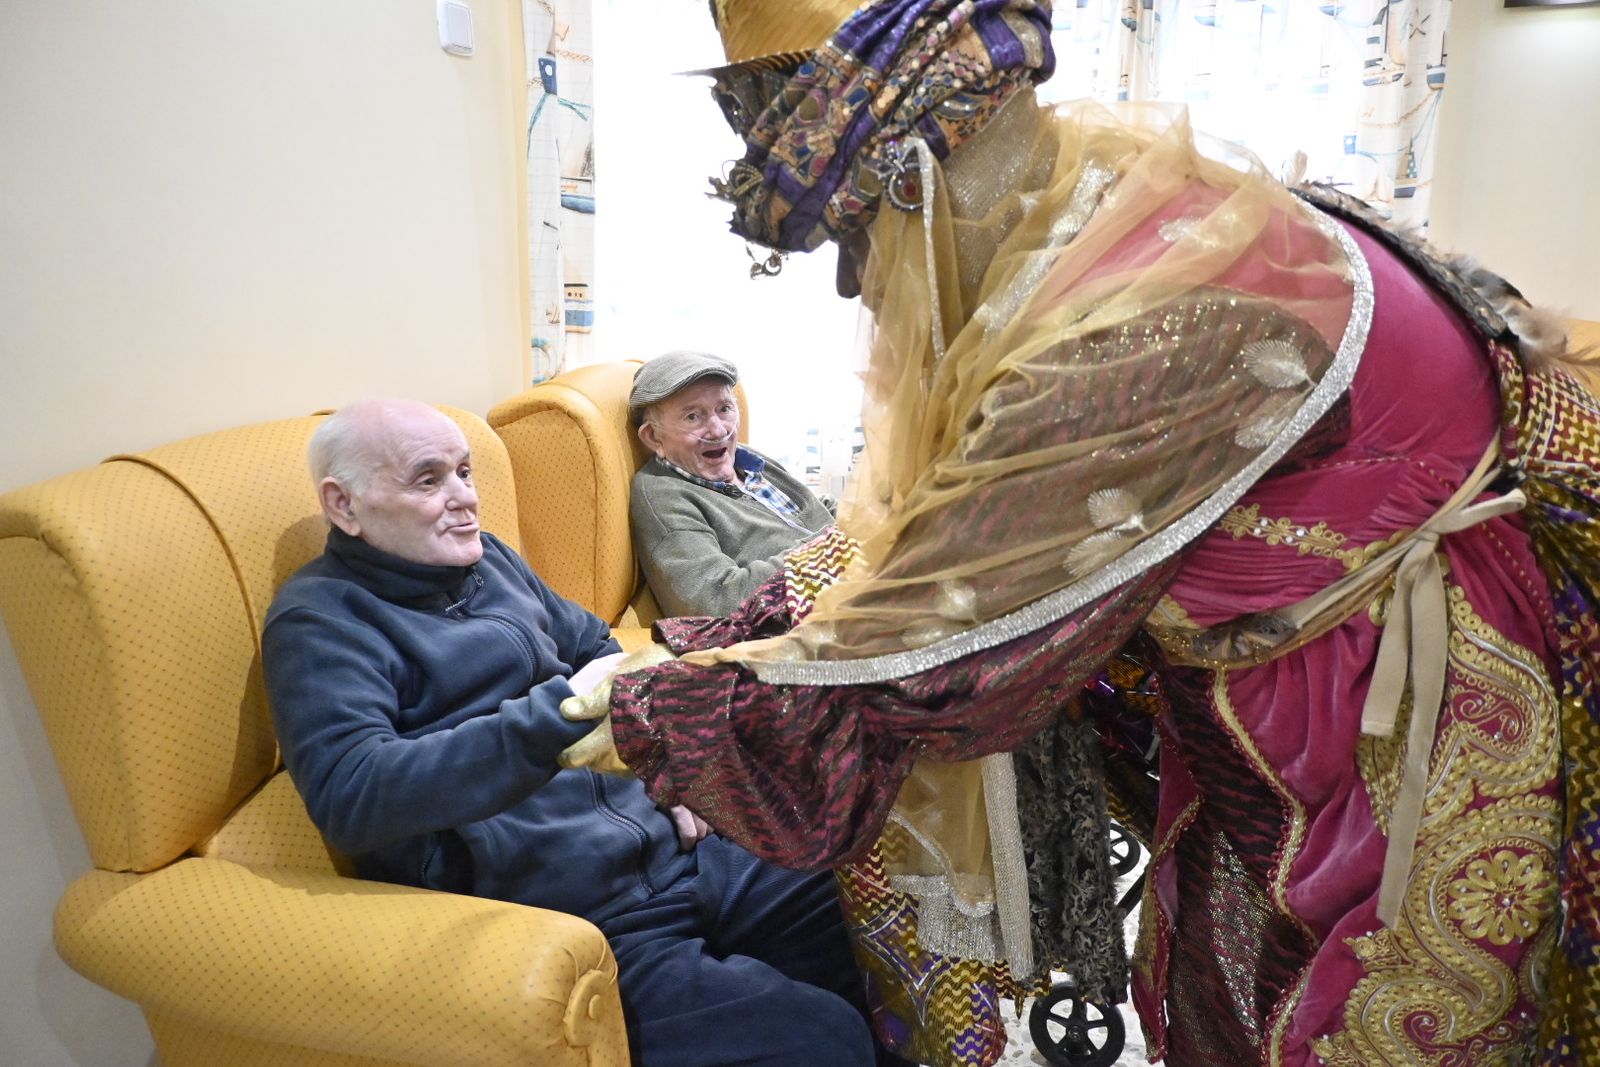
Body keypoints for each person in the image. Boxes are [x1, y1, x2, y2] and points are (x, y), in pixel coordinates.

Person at [557, 2, 1600, 1065]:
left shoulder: (1137, 312)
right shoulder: (1109, 217)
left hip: (1409, 715)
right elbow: (928, 534)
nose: (847, 279)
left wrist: (664, 710)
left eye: (849, 231)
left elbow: (928, 632)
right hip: (1286, 692)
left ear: (913, 178)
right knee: (1227, 995)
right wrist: (733, 638)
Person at [260, 398, 897, 1067]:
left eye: (465, 472)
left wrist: (674, 772)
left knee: (857, 892)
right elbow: (353, 794)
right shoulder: (320, 621)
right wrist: (556, 717)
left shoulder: (487, 562)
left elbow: (594, 642)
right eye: (428, 480)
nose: (464, 498)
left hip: (676, 849)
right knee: (818, 1039)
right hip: (583, 914)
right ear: (344, 504)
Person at [629, 351, 835, 617]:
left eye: (724, 409)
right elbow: (717, 602)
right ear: (654, 437)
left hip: (854, 583)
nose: (718, 430)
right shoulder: (663, 496)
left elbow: (815, 510)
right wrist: (832, 549)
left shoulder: (745, 458)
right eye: (693, 416)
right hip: (810, 621)